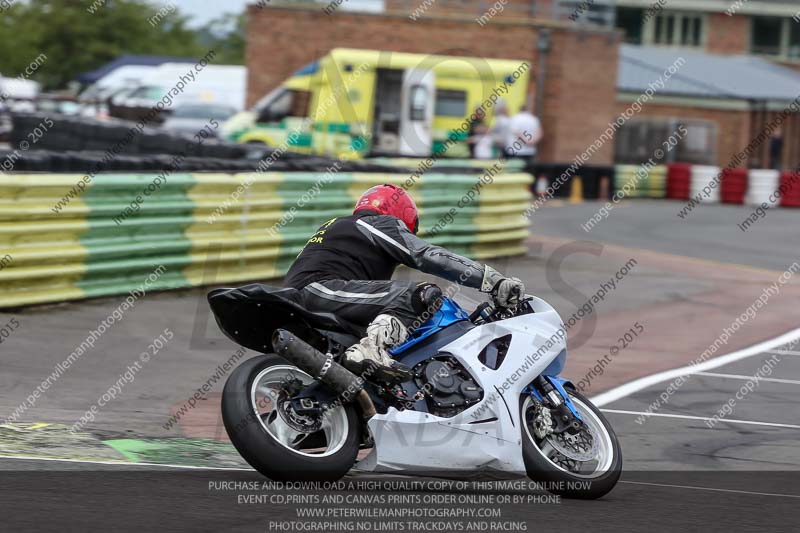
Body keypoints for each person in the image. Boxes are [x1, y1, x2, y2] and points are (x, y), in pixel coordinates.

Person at [283, 184, 525, 379]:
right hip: (320, 291)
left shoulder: (336, 226)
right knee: (420, 294)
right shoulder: (378, 223)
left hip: (301, 299)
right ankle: (371, 349)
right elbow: (427, 256)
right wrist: (491, 280)